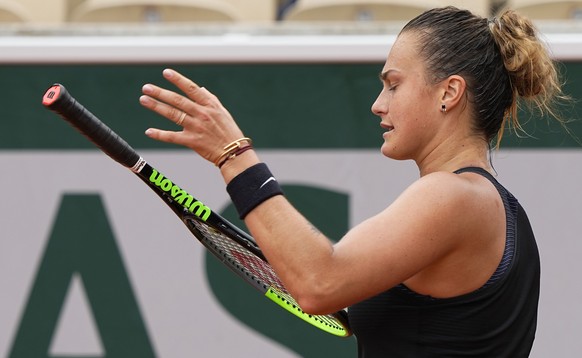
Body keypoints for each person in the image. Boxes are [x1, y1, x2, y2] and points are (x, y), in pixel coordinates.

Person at [138, 6, 566, 357]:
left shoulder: (453, 197)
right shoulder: (499, 208)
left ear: (449, 93)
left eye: (393, 85)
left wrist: (233, 154)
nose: (378, 105)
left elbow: (318, 282)